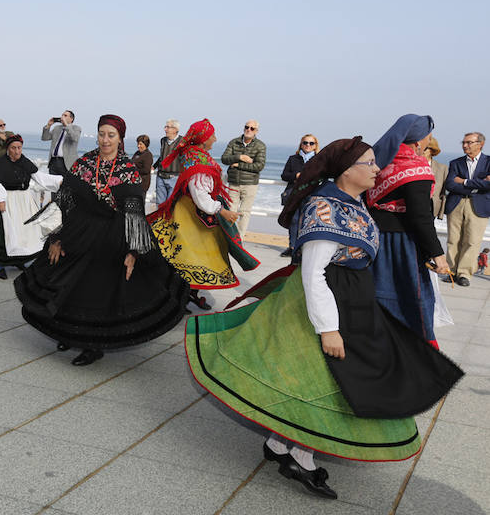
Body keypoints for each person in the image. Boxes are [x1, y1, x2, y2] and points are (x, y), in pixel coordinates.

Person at [186, 136, 463, 500]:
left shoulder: (353, 200)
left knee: (322, 379)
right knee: (326, 384)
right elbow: (314, 273)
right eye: (370, 163)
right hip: (329, 303)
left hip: (352, 299)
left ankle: (279, 444)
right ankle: (301, 456)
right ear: (348, 170)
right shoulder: (325, 208)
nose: (378, 169)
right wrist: (329, 329)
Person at [15, 115, 191, 366]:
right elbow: (65, 201)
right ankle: (67, 333)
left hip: (112, 237)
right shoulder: (83, 163)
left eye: (111, 135)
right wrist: (55, 237)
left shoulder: (127, 170)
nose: (105, 139)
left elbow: (134, 213)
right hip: (79, 232)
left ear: (120, 139)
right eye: (101, 134)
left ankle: (93, 345)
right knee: (67, 282)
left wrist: (134, 251)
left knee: (95, 291)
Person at [147, 119, 259, 311]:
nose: (215, 139)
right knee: (193, 256)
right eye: (212, 136)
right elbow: (200, 195)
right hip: (194, 216)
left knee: (185, 256)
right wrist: (222, 210)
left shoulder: (194, 154)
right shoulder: (198, 160)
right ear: (203, 139)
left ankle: (185, 294)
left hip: (188, 211)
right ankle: (182, 296)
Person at [366, 115, 449, 347]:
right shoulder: (415, 168)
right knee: (411, 297)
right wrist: (437, 254)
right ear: (417, 143)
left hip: (375, 239)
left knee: (377, 292)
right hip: (403, 243)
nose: (429, 142)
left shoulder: (381, 163)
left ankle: (374, 342)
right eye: (428, 137)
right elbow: (420, 217)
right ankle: (417, 350)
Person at [0, 134, 62, 279]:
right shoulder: (1, 164)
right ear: (8, 149)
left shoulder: (25, 162)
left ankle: (19, 260)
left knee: (27, 233)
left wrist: (58, 181)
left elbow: (39, 177)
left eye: (19, 148)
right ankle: (1, 265)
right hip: (8, 200)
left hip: (24, 200)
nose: (17, 151)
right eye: (13, 148)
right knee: (6, 234)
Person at [443, 131, 490, 287]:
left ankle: (464, 274)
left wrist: (463, 182)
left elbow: (488, 185)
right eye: (463, 142)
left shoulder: (489, 162)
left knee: (472, 241)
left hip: (479, 206)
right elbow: (450, 184)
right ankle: (451, 272)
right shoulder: (455, 163)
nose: (465, 145)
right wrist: (477, 184)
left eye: (469, 142)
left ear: (480, 144)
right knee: (453, 240)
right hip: (456, 203)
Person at [221, 119, 266, 238]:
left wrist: (237, 164)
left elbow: (259, 166)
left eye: (252, 128)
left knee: (245, 212)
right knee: (231, 210)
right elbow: (224, 159)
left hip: (250, 184)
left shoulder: (260, 146)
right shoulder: (234, 142)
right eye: (247, 127)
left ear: (256, 131)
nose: (248, 130)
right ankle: (229, 237)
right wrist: (239, 157)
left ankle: (239, 238)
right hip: (233, 183)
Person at [278, 134, 319, 256]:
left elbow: (322, 176)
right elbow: (284, 175)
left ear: (315, 146)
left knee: (307, 221)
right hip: (294, 193)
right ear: (301, 144)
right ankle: (292, 247)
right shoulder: (293, 159)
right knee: (294, 220)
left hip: (310, 193)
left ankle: (303, 248)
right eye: (305, 143)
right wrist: (296, 176)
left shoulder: (319, 160)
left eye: (311, 143)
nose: (307, 145)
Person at [41, 110, 81, 175]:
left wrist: (66, 125)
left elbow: (75, 138)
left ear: (71, 119)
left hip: (66, 163)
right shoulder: (57, 128)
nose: (62, 117)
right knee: (53, 183)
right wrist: (48, 126)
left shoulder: (76, 128)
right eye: (62, 115)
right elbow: (45, 138)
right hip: (53, 162)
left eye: (65, 115)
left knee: (66, 184)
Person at [153, 119, 181, 205]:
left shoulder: (182, 142)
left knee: (170, 205)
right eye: (165, 127)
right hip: (160, 177)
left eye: (168, 127)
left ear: (175, 129)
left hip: (174, 178)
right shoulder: (163, 140)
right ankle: (160, 219)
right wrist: (154, 166)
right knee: (160, 204)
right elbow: (162, 156)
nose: (165, 129)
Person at [424, 137, 447, 219]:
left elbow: (444, 193)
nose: (422, 151)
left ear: (432, 150)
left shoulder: (442, 168)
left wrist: (441, 213)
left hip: (432, 208)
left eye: (425, 148)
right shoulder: (411, 165)